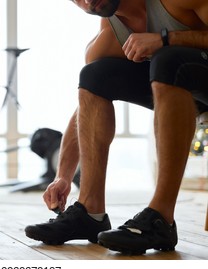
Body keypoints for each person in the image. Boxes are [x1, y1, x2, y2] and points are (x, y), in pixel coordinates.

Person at [25, 0, 208, 255]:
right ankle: (90, 212)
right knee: (94, 76)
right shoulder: (110, 38)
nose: (87, 0)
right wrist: (63, 176)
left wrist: (165, 39)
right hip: (185, 86)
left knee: (167, 58)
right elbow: (83, 109)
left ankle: (161, 219)